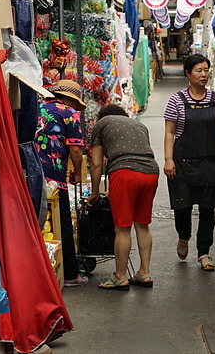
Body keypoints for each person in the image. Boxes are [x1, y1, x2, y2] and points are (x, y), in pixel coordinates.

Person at [163, 54, 215, 271]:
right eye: (198, 71)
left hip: (211, 162)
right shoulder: (177, 100)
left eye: (206, 70)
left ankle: (204, 252)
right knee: (182, 208)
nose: (203, 75)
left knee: (207, 210)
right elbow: (169, 132)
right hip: (183, 163)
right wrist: (168, 160)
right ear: (188, 73)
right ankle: (183, 237)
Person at [87, 104, 159, 290]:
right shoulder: (138, 124)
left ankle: (120, 276)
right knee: (142, 225)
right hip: (151, 172)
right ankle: (144, 272)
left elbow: (96, 164)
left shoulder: (102, 123)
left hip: (125, 173)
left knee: (122, 228)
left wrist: (95, 192)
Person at [36, 79, 88, 287]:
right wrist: (77, 172)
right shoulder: (69, 113)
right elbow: (75, 149)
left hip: (31, 170)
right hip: (55, 174)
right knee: (62, 222)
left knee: (37, 220)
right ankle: (70, 274)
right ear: (70, 99)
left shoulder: (39, 108)